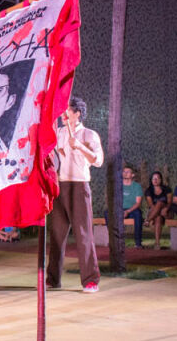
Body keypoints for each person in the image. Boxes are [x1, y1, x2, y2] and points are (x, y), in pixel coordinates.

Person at [47, 97, 103, 293]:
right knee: (56, 234)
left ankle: (90, 279)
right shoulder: (59, 132)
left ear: (77, 113)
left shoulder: (89, 134)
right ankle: (52, 279)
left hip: (79, 186)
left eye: (67, 110)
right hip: (60, 186)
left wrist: (79, 146)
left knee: (83, 233)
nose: (64, 114)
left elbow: (98, 160)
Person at [104, 164, 143, 248]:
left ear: (132, 175)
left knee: (138, 214)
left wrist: (128, 211)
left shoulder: (137, 186)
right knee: (107, 213)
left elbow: (138, 203)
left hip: (131, 210)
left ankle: (138, 243)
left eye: (128, 172)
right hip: (119, 209)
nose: (125, 173)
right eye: (124, 171)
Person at [144, 171, 171, 249]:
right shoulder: (148, 191)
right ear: (151, 180)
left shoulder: (167, 189)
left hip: (166, 211)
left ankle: (147, 220)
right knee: (158, 218)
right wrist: (158, 211)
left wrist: (166, 209)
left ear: (161, 179)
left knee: (159, 202)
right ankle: (157, 243)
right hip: (155, 213)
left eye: (157, 178)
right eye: (153, 179)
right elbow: (151, 205)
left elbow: (169, 202)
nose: (155, 180)